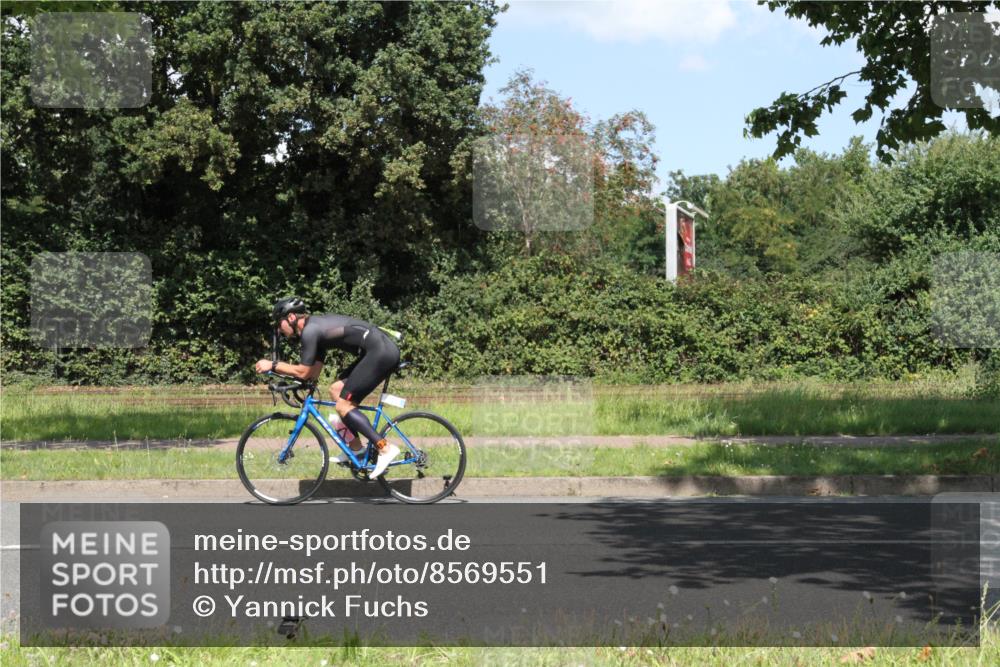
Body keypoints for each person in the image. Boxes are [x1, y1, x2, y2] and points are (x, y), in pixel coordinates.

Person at [254, 297, 401, 478]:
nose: (279, 328)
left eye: (279, 323)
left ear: (291, 318)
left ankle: (385, 448)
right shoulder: (314, 332)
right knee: (336, 390)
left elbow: (303, 371)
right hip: (377, 350)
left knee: (343, 406)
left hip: (381, 352)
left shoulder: (310, 332)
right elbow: (312, 373)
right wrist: (290, 382)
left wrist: (273, 365)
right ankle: (357, 450)